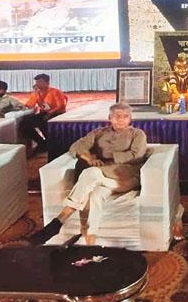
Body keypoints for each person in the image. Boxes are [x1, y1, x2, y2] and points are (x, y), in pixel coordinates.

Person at [28, 103, 147, 246]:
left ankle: (60, 220)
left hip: (125, 176)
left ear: (130, 119)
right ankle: (90, 242)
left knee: (90, 172)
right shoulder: (99, 133)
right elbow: (77, 146)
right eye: (117, 116)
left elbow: (136, 155)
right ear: (110, 118)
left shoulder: (137, 134)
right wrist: (89, 158)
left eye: (125, 117)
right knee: (94, 195)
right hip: (103, 179)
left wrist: (106, 154)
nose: (121, 120)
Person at [20, 74, 67, 154]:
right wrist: (35, 94)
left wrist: (50, 113)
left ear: (47, 83)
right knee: (24, 123)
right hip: (44, 114)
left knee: (43, 122)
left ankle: (50, 144)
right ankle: (42, 143)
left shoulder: (55, 91)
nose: (38, 83)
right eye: (37, 81)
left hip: (56, 114)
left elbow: (60, 106)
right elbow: (30, 105)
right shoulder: (36, 93)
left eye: (40, 81)